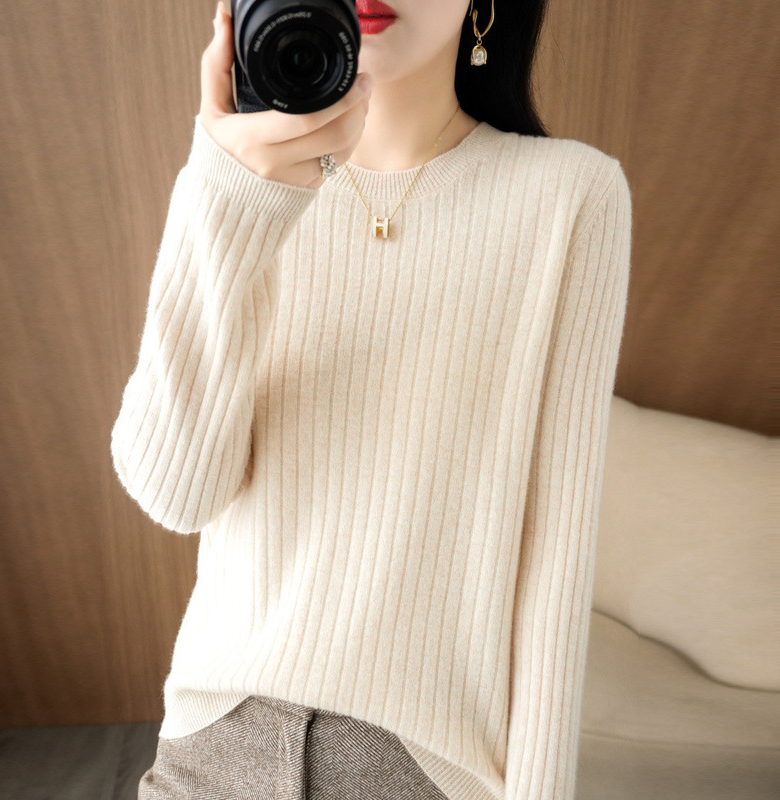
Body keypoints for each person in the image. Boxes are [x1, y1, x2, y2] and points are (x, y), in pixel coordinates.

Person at [111, 0, 633, 798]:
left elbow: (555, 553)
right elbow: (177, 493)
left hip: (416, 766)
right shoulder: (241, 184)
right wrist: (225, 198)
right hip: (211, 748)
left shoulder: (570, 193)